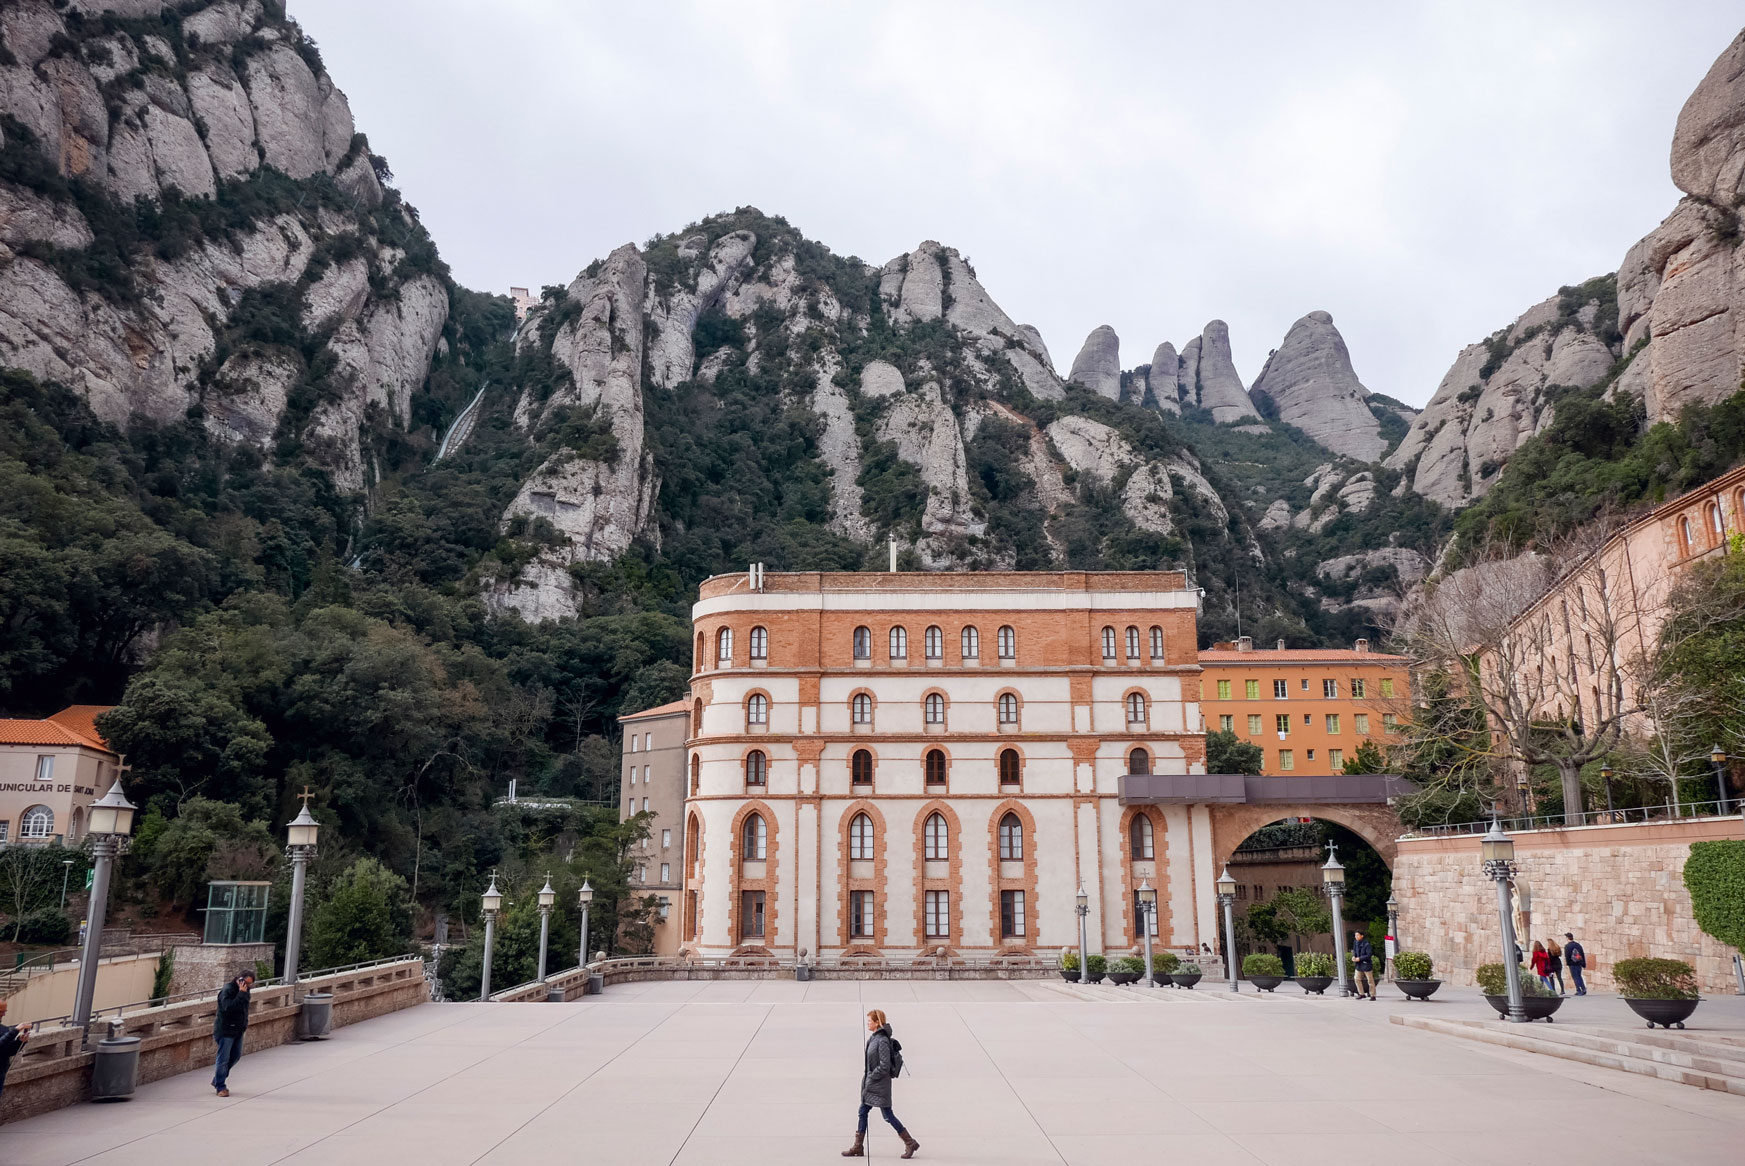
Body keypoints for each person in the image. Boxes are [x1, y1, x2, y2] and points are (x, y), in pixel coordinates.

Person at [842, 1009, 919, 1159]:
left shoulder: (882, 1040)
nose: (868, 1023)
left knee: (888, 1115)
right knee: (863, 1112)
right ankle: (858, 1146)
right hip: (871, 1085)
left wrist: (871, 1077)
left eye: (870, 1021)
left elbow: (884, 1065)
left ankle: (910, 1142)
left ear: (877, 1023)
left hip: (879, 1086)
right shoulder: (874, 1038)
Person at [212, 970, 254, 1097]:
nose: (247, 986)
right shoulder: (228, 990)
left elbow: (244, 1008)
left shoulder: (245, 991)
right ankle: (220, 1086)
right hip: (226, 1030)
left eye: (250, 984)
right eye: (245, 982)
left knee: (236, 1056)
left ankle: (218, 1078)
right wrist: (241, 994)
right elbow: (228, 1008)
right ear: (239, 979)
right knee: (223, 1059)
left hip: (238, 1029)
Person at [0, 999, 32, 1104]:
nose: (3, 1014)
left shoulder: (4, 1029)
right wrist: (15, 1030)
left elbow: (7, 1050)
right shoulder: (8, 1031)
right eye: (1, 1011)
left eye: (5, 1011)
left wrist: (20, 1042)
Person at [1351, 930, 1377, 1000]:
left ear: (1362, 936)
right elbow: (1354, 951)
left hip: (1366, 964)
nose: (1356, 937)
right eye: (1355, 935)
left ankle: (1373, 995)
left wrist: (1360, 958)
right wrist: (1354, 956)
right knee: (1356, 978)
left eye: (1358, 935)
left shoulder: (1367, 944)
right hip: (1358, 964)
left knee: (1370, 980)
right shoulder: (1355, 943)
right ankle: (1361, 993)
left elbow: (1369, 955)